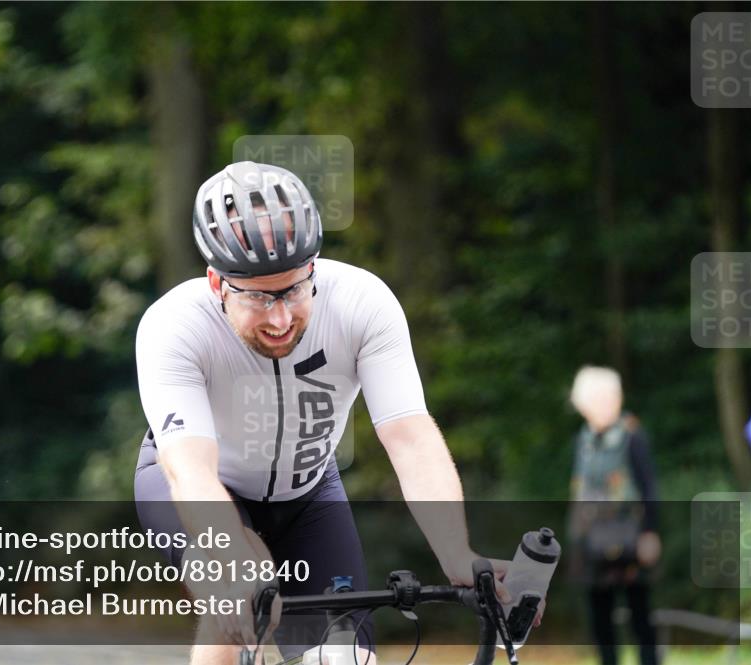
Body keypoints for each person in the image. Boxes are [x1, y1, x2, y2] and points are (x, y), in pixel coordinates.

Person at [133, 161, 519, 665]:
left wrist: (455, 554)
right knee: (233, 596)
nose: (279, 318)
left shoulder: (363, 303)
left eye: (293, 289)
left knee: (344, 657)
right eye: (256, 296)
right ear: (216, 282)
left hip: (309, 489)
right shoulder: (174, 326)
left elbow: (410, 436)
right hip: (195, 485)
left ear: (313, 267)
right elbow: (190, 471)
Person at [567, 366, 660, 665]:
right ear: (583, 403)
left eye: (612, 396)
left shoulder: (633, 435)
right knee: (600, 620)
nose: (608, 403)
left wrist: (650, 533)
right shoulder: (583, 441)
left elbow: (649, 487)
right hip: (592, 543)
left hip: (629, 538)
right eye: (600, 398)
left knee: (641, 616)